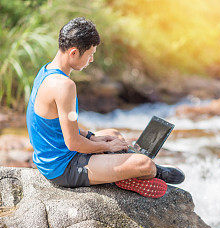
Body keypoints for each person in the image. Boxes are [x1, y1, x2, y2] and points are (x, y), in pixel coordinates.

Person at [26, 17, 184, 189]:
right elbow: (73, 143)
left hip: (52, 158)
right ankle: (145, 172)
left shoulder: (46, 71)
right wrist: (105, 146)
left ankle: (118, 168)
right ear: (73, 53)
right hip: (63, 169)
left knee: (114, 133)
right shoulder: (64, 86)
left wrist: (93, 137)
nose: (91, 60)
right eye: (90, 54)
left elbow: (56, 126)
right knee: (143, 164)